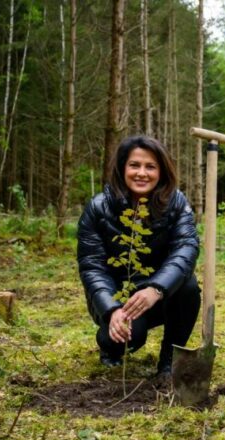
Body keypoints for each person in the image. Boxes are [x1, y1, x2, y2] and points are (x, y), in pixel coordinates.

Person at [77, 135, 201, 378]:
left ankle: (169, 363)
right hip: (117, 296)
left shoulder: (176, 204)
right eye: (134, 165)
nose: (142, 173)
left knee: (188, 287)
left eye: (150, 167)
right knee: (125, 339)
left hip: (158, 294)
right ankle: (111, 348)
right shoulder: (98, 208)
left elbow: (186, 249)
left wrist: (156, 288)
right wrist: (111, 309)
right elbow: (92, 266)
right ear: (122, 168)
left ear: (161, 172)